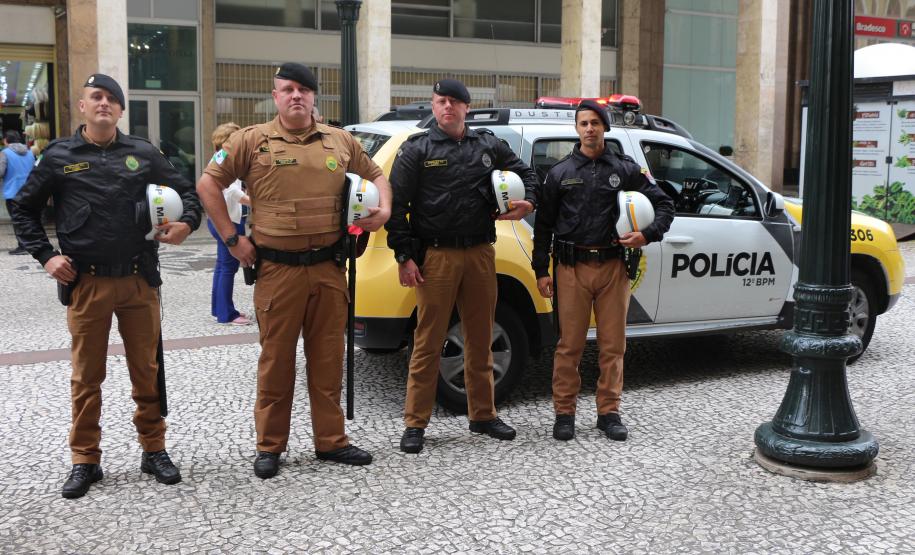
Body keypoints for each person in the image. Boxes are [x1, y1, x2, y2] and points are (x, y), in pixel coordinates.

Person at [9, 74, 202, 498]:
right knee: (86, 376)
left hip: (138, 280)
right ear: (82, 106)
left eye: (112, 99)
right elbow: (23, 209)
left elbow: (189, 193)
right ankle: (85, 459)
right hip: (87, 283)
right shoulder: (60, 155)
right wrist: (47, 256)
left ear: (120, 110)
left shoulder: (144, 152)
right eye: (96, 97)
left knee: (146, 371)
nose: (104, 104)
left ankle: (154, 450)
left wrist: (186, 223)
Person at [197, 62, 391, 478]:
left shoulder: (341, 141)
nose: (296, 95)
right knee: (276, 362)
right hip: (277, 272)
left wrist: (384, 210)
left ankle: (332, 442)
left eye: (303, 89)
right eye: (288, 89)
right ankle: (270, 446)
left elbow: (376, 174)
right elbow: (207, 184)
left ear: (314, 96)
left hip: (327, 269)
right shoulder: (250, 140)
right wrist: (233, 239)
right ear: (276, 96)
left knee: (327, 361)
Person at [386, 78, 539, 454]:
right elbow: (397, 207)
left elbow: (529, 175)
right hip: (436, 256)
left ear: (466, 107)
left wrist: (528, 202)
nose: (447, 107)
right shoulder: (417, 149)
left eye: (454, 101)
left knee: (481, 336)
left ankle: (483, 415)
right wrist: (404, 257)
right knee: (428, 339)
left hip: (481, 253)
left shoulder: (487, 144)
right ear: (433, 106)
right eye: (440, 101)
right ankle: (416, 423)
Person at [532, 100, 674, 442]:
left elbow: (665, 204)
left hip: (614, 266)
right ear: (576, 129)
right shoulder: (560, 172)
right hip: (571, 267)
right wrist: (541, 269)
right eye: (583, 123)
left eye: (595, 122)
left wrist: (647, 234)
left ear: (605, 127)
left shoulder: (626, 169)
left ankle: (608, 412)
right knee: (569, 345)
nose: (589, 129)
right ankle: (564, 413)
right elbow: (544, 225)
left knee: (614, 345)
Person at [206, 122, 252, 325]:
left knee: (222, 266)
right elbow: (232, 191)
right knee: (228, 267)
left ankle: (219, 309)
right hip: (229, 221)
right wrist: (255, 202)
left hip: (216, 219)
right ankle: (227, 314)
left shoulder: (218, 158)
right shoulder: (227, 159)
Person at [1, 129, 36, 255]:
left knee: (17, 219)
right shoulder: (30, 152)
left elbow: (1, 171)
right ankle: (33, 244)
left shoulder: (5, 153)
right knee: (29, 218)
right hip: (29, 190)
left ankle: (22, 246)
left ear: (6, 140)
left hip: (12, 191)